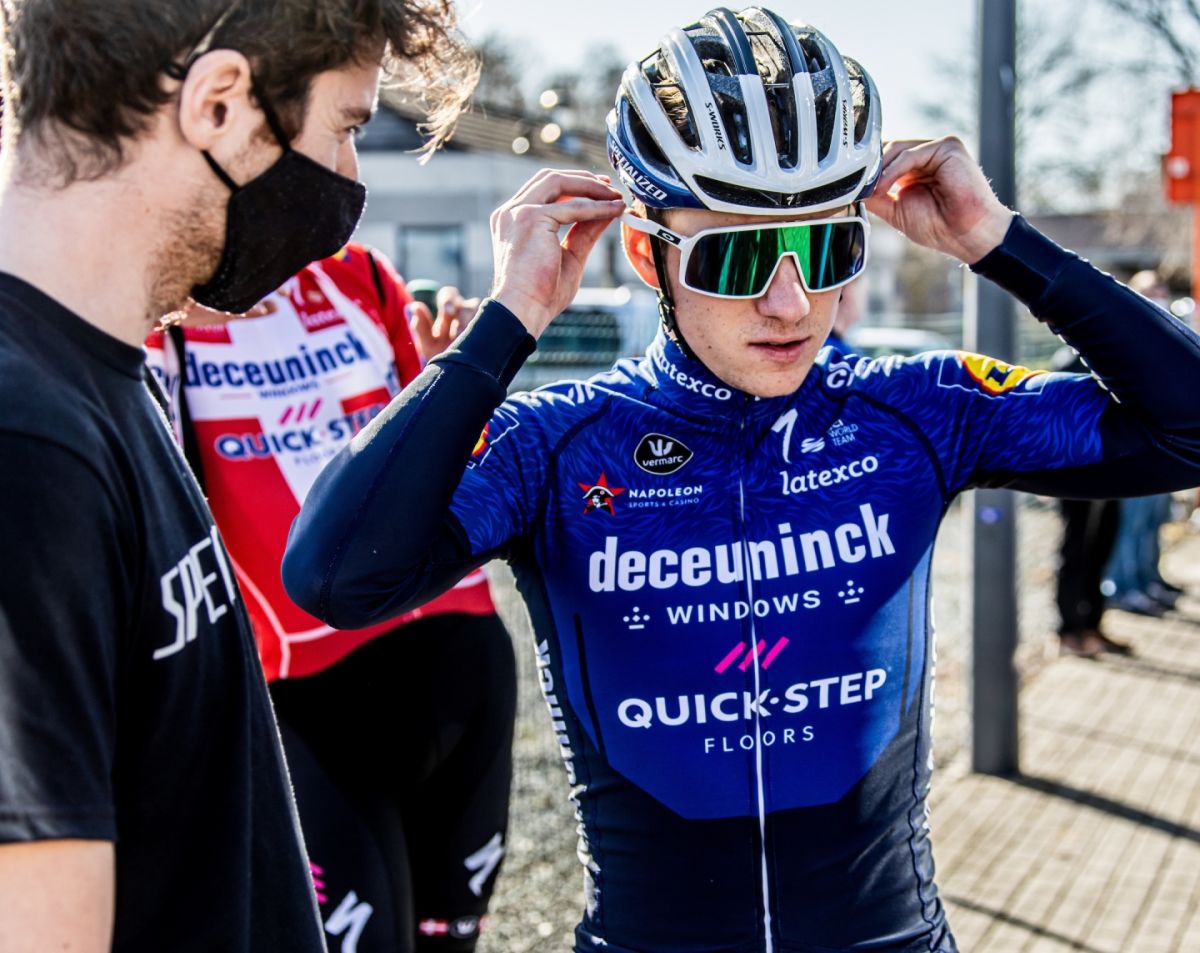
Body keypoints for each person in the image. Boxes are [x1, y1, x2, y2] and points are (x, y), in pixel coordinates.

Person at [282, 7, 1200, 952]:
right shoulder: (555, 447)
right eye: (741, 255)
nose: (791, 301)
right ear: (647, 254)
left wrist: (997, 238)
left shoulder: (919, 413)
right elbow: (336, 577)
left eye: (825, 248)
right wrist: (510, 316)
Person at [0, 2, 473, 951]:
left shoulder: (100, 381)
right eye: (346, 127)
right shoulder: (28, 447)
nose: (347, 184)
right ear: (218, 104)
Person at [145, 245, 515, 953]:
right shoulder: (167, 305)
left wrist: (455, 383)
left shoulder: (360, 274)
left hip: (461, 653)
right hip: (313, 696)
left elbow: (448, 456)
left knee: (452, 938)